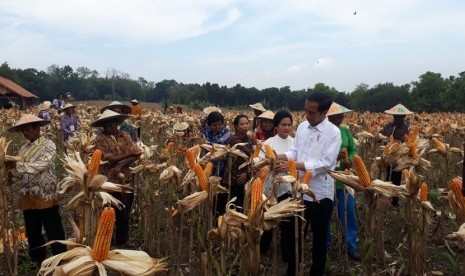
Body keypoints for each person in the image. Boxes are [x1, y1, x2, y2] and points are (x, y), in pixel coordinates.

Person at [275, 92, 341, 276]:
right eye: (305, 110)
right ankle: (292, 271)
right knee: (296, 237)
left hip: (321, 195)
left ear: (324, 112)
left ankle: (316, 271)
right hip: (299, 192)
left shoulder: (333, 133)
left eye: (312, 112)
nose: (307, 115)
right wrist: (282, 157)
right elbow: (295, 151)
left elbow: (326, 164)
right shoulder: (303, 127)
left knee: (319, 239)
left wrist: (294, 165)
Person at [9, 114, 67, 267]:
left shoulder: (48, 145)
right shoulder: (23, 148)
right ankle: (37, 257)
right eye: (23, 131)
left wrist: (18, 167)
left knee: (52, 226)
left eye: (27, 129)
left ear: (37, 128)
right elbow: (17, 172)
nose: (25, 133)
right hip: (27, 193)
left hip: (45, 192)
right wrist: (10, 172)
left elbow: (43, 164)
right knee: (32, 228)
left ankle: (60, 256)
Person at [92, 109, 142, 247]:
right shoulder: (100, 139)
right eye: (105, 125)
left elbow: (137, 153)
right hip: (107, 181)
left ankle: (122, 239)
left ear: (117, 123)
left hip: (126, 179)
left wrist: (120, 165)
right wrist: (126, 156)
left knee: (125, 211)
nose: (108, 128)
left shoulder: (126, 136)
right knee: (108, 211)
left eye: (111, 124)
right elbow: (108, 159)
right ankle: (107, 241)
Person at [258, 110, 294, 257]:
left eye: (289, 125)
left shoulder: (294, 143)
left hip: (289, 187)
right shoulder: (269, 143)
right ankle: (263, 248)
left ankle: (286, 252)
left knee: (287, 220)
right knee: (268, 218)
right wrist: (271, 164)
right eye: (283, 125)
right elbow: (260, 163)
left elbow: (298, 163)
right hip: (270, 188)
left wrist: (288, 166)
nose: (286, 128)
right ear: (276, 126)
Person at [327, 102, 360, 261]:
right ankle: (324, 246)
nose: (340, 119)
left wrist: (350, 159)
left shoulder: (345, 131)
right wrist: (334, 157)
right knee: (325, 217)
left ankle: (351, 247)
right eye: (337, 116)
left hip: (345, 180)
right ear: (329, 117)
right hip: (326, 181)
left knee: (348, 214)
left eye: (341, 116)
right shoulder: (323, 132)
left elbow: (353, 149)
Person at [221, 114, 255, 211]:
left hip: (246, 177)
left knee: (242, 205)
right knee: (231, 204)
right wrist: (237, 176)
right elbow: (230, 161)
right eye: (242, 124)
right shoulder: (232, 140)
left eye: (246, 123)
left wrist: (247, 174)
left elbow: (254, 158)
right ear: (236, 126)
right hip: (232, 179)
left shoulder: (251, 139)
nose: (245, 126)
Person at [380, 103, 412, 206]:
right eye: (395, 116)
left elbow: (408, 142)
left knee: (396, 177)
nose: (397, 118)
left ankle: (394, 201)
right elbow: (382, 138)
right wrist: (384, 139)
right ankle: (384, 198)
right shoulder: (388, 126)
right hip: (387, 155)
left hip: (399, 157)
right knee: (385, 175)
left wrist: (398, 143)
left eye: (399, 116)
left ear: (404, 116)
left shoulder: (406, 128)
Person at [202, 111, 231, 177]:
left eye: (220, 124)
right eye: (215, 125)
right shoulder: (205, 133)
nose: (218, 126)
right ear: (210, 125)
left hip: (223, 165)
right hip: (208, 163)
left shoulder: (227, 133)